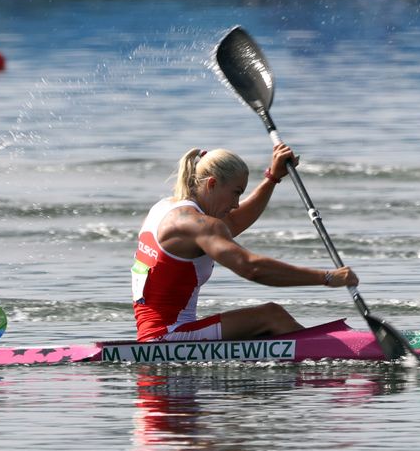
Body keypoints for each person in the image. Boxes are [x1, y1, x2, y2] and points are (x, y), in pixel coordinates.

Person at [131, 143, 359, 342]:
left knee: (266, 322)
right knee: (271, 316)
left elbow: (233, 222)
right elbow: (252, 268)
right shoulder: (198, 224)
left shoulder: (165, 209)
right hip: (169, 338)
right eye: (235, 193)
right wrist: (327, 278)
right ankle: (330, 357)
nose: (236, 203)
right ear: (211, 184)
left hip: (156, 336)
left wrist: (273, 177)